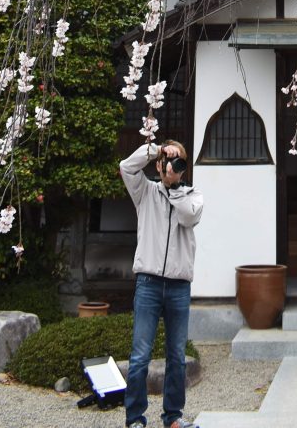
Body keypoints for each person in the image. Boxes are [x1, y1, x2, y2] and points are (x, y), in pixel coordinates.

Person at [119, 139, 204, 428]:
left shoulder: (192, 196)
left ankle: (173, 418)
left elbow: (188, 217)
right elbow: (126, 167)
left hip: (179, 287)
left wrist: (174, 186)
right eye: (169, 160)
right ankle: (135, 419)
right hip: (149, 283)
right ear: (158, 164)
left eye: (179, 161)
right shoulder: (145, 192)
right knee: (140, 355)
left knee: (177, 356)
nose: (172, 165)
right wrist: (155, 151)